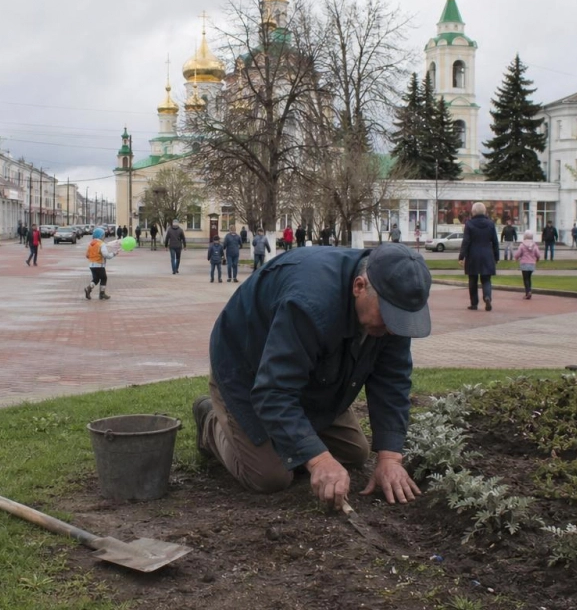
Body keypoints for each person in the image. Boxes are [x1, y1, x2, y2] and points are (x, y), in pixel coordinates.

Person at [191, 244, 431, 506]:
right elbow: (274, 390)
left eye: (402, 320)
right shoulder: (309, 302)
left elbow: (392, 380)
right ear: (359, 287)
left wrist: (390, 458)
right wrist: (319, 460)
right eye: (389, 317)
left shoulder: (393, 310)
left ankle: (290, 434)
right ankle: (210, 423)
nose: (395, 330)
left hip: (311, 373)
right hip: (247, 368)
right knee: (269, 476)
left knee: (354, 453)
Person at [459, 202, 499, 311]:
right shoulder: (490, 224)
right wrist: (496, 257)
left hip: (473, 255)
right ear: (485, 211)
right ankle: (487, 297)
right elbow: (495, 241)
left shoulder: (469, 224)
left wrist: (461, 256)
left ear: (473, 212)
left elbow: (466, 241)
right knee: (486, 279)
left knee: (473, 280)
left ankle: (474, 303)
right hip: (487, 254)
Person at [84, 227, 120, 300]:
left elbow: (87, 255)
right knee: (104, 278)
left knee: (96, 279)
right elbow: (106, 255)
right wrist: (113, 254)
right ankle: (102, 294)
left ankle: (89, 288)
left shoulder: (91, 244)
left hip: (91, 265)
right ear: (100, 236)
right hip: (99, 265)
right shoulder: (101, 244)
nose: (104, 237)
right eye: (103, 235)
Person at [514, 230, 541, 300]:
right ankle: (529, 291)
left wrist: (516, 258)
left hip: (524, 263)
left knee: (525, 279)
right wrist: (537, 258)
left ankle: (528, 292)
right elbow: (538, 254)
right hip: (532, 263)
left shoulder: (522, 245)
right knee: (529, 278)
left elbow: (518, 253)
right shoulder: (534, 245)